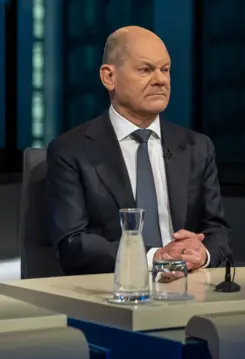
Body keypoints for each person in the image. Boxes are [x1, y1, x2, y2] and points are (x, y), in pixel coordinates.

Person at [46, 26, 232, 275]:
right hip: (112, 291)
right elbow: (73, 243)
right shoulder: (71, 151)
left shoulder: (196, 147)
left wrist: (202, 253)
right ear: (109, 77)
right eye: (146, 70)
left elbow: (216, 231)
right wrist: (154, 256)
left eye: (165, 70)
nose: (160, 79)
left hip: (187, 288)